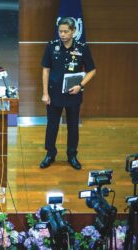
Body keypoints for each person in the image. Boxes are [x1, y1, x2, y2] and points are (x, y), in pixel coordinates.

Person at [39, 17, 96, 170]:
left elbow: (92, 70)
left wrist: (80, 85)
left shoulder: (82, 48)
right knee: (52, 126)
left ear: (73, 31)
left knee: (73, 126)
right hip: (54, 94)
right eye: (60, 31)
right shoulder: (51, 47)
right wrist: (45, 93)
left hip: (73, 94)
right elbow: (45, 69)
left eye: (65, 31)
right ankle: (50, 154)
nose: (62, 34)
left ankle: (72, 155)